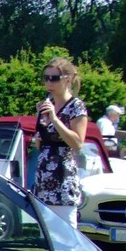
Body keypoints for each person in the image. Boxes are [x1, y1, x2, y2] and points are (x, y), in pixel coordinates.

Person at [30, 57, 89, 228]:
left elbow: (78, 143)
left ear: (67, 79)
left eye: (54, 78)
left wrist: (55, 120)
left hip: (62, 180)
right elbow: (42, 145)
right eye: (46, 78)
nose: (49, 82)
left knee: (67, 236)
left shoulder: (76, 106)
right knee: (47, 236)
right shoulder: (47, 105)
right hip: (43, 179)